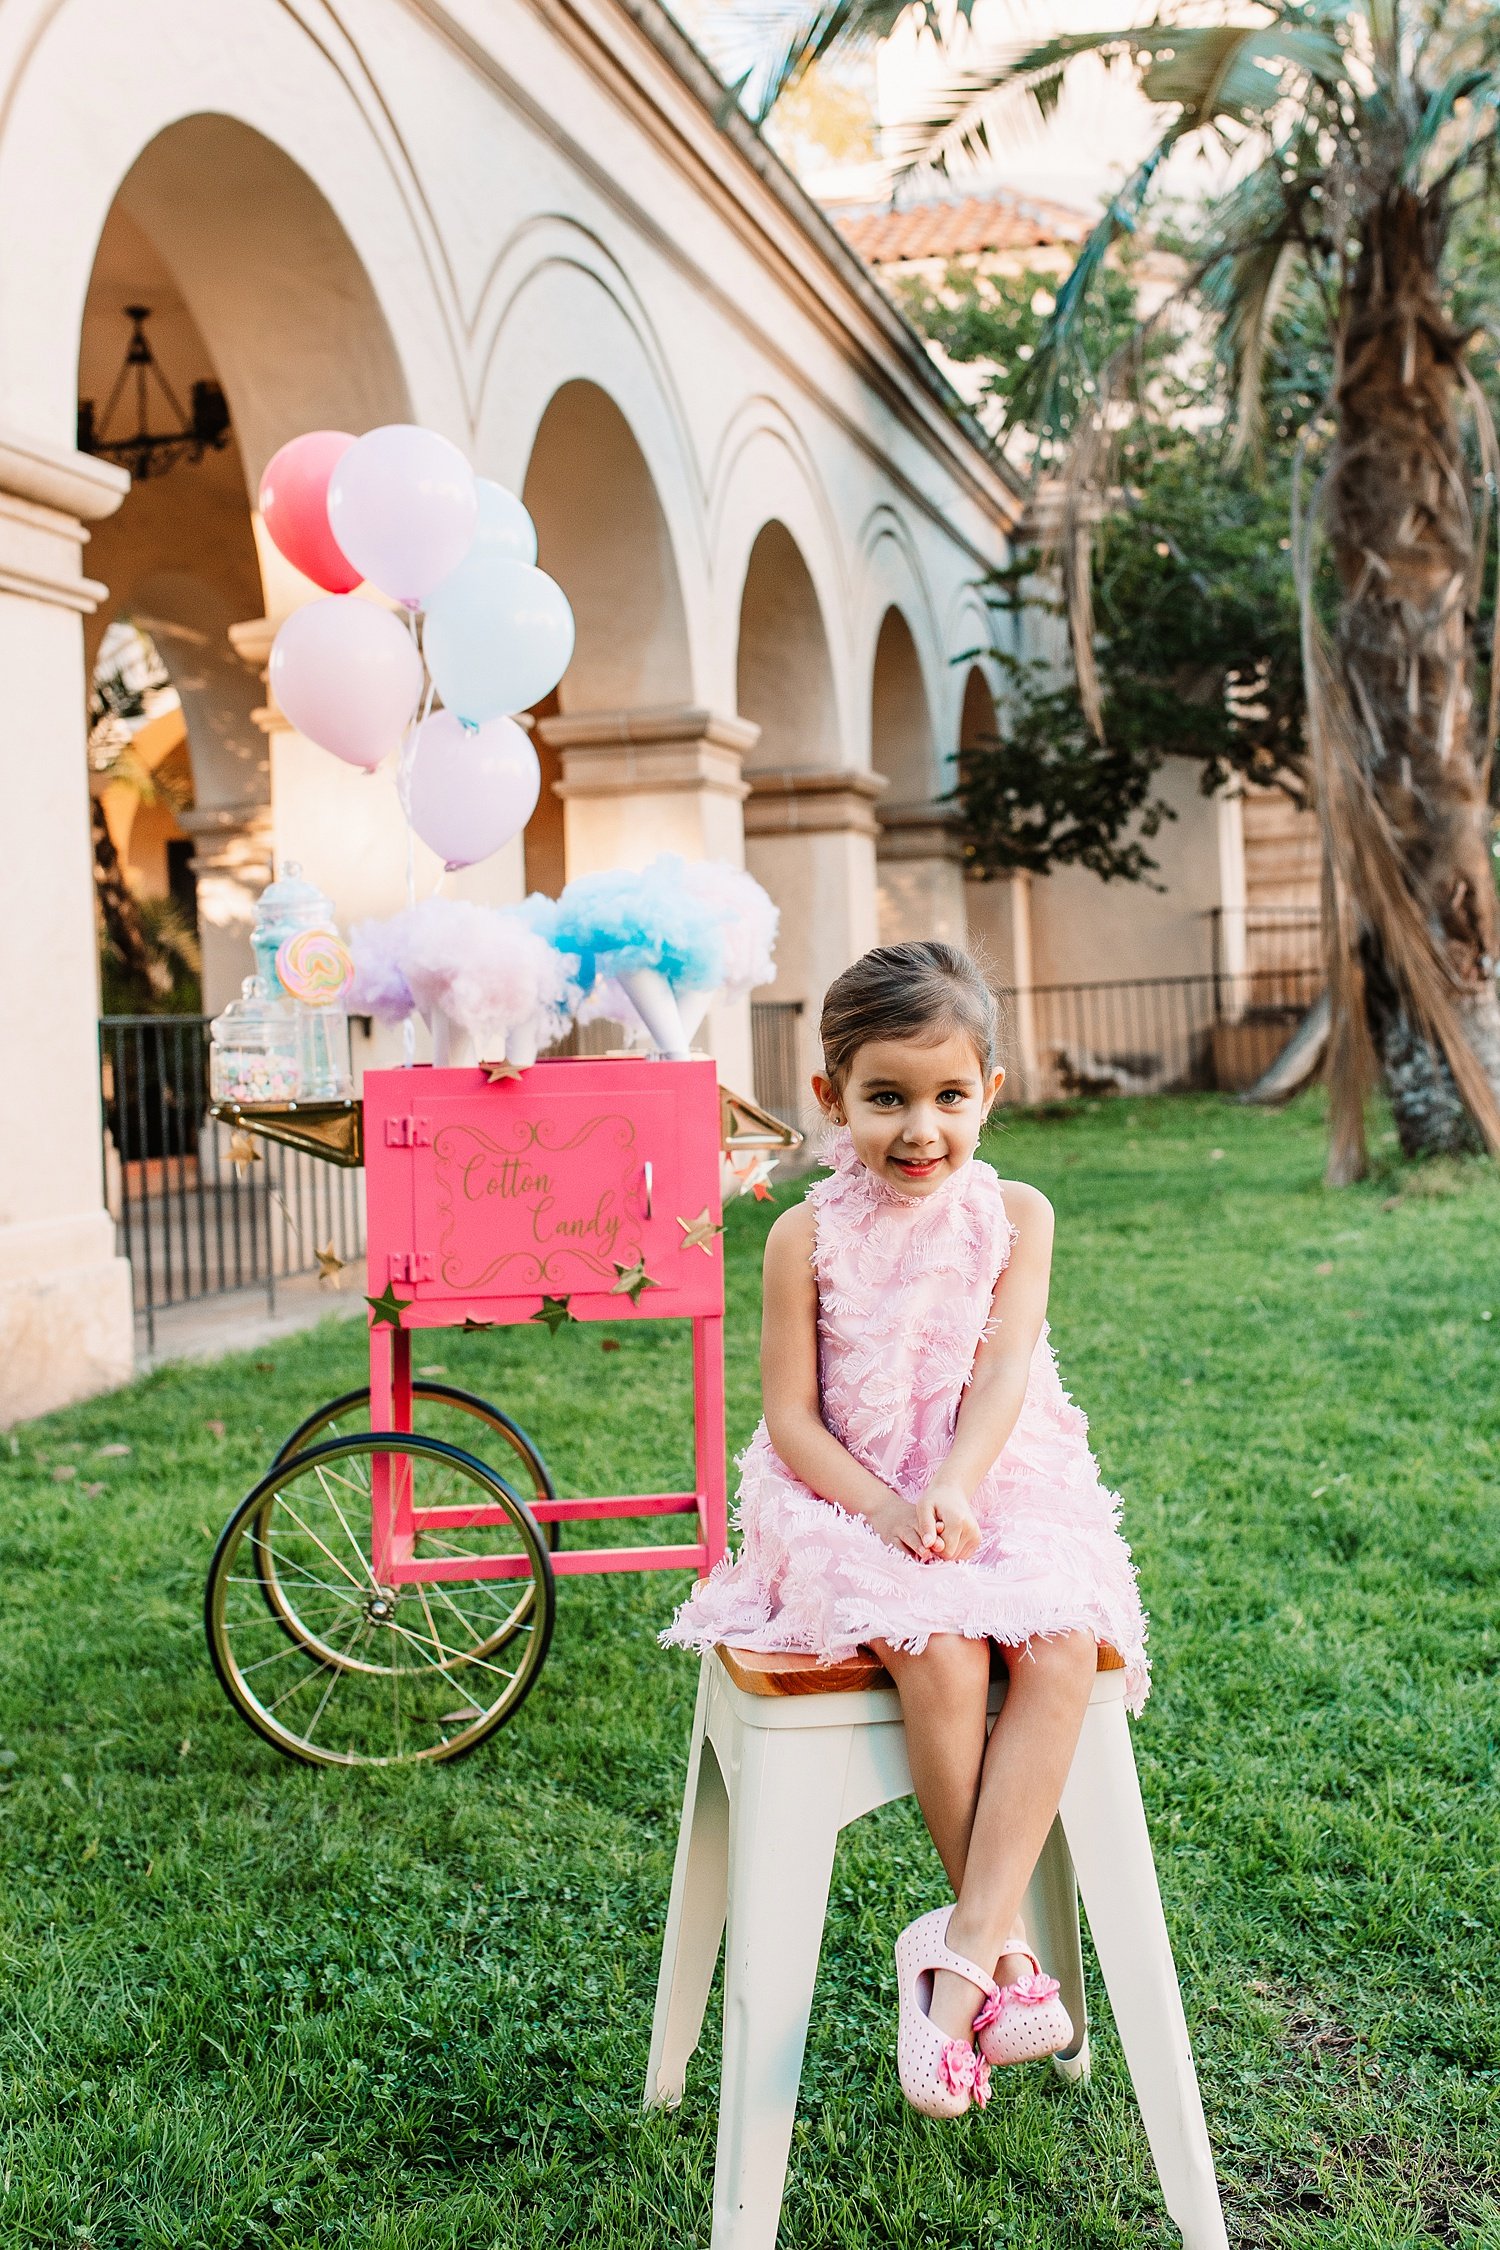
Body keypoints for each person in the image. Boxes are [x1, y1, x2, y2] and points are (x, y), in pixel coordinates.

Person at [663, 940, 1149, 2117]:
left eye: (947, 1096)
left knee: (1053, 1639)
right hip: (844, 1491)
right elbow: (788, 1417)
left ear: (992, 1089)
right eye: (886, 1099)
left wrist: (961, 1486)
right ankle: (1008, 1962)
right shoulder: (802, 1237)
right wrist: (886, 1504)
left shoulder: (1018, 1215)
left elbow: (1002, 1374)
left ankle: (960, 1953)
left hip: (998, 1477)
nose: (919, 1129)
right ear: (831, 1099)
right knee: (936, 1642)